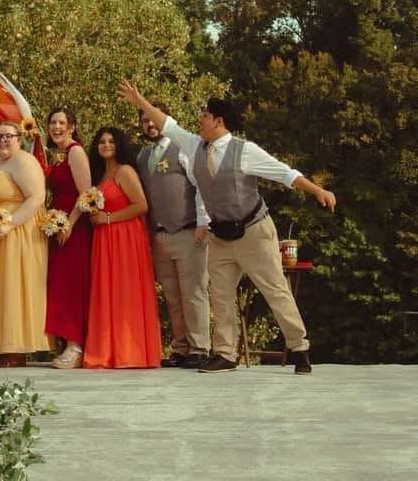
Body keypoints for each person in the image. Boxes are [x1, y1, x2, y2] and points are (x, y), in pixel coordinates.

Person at [119, 81, 336, 374]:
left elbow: (285, 174)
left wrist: (318, 191)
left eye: (204, 115)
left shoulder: (245, 151)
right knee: (220, 296)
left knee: (275, 290)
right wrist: (139, 101)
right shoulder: (194, 145)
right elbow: (167, 124)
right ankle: (225, 353)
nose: (200, 119)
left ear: (218, 121)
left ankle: (300, 348)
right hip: (220, 235)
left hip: (254, 232)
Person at [0, 121, 49, 367]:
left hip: (16, 236)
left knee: (12, 286)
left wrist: (10, 224)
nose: (3, 140)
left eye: (8, 136)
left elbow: (36, 197)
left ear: (19, 138)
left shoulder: (24, 161)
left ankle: (16, 348)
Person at [136, 103, 211, 369]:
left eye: (153, 119)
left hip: (188, 231)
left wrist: (203, 221)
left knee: (193, 293)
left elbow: (201, 185)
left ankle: (199, 348)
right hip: (159, 236)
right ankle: (180, 348)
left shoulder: (183, 149)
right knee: (172, 296)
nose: (150, 124)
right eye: (144, 121)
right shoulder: (143, 155)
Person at [82, 127, 162, 369]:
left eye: (111, 141)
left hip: (125, 237)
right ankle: (108, 351)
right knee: (107, 290)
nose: (106, 145)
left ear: (119, 145)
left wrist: (108, 218)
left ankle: (130, 351)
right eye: (102, 141)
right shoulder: (101, 176)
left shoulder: (125, 171)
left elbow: (141, 205)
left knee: (124, 290)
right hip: (105, 238)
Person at [43, 107, 93, 370]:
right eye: (53, 122)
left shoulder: (76, 152)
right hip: (57, 226)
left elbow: (86, 194)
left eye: (62, 122)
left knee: (72, 285)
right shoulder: (59, 155)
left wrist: (69, 224)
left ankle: (77, 345)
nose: (56, 127)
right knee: (59, 285)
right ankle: (66, 342)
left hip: (74, 228)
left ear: (72, 127)